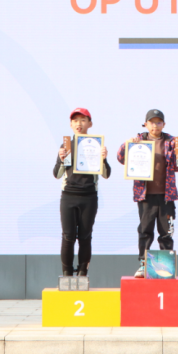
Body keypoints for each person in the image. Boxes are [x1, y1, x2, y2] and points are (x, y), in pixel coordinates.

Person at [117, 109, 178, 278]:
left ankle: (167, 267)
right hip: (145, 195)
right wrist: (127, 144)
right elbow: (120, 158)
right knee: (145, 231)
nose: (155, 125)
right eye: (152, 122)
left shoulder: (171, 142)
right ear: (146, 124)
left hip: (166, 195)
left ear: (164, 124)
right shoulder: (138, 141)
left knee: (166, 233)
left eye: (159, 122)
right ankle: (143, 265)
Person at [54, 108, 109, 277]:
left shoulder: (97, 145)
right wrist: (62, 160)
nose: (79, 124)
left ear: (90, 124)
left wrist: (103, 159)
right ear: (71, 124)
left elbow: (106, 174)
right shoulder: (66, 146)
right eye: (75, 120)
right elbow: (57, 174)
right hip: (68, 196)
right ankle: (67, 274)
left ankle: (83, 272)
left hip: (89, 197)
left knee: (85, 236)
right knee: (68, 236)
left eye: (83, 120)